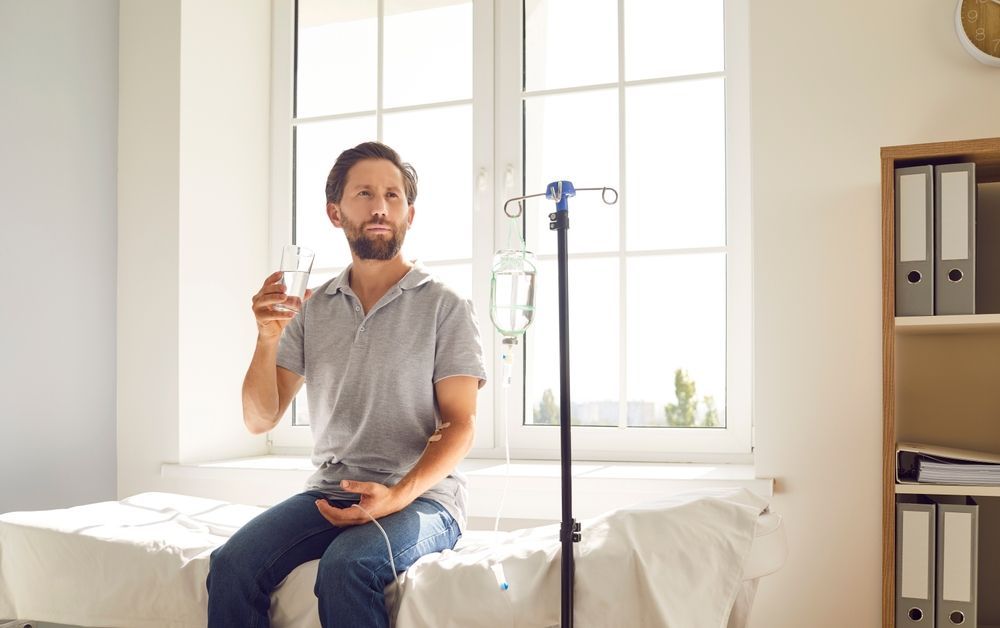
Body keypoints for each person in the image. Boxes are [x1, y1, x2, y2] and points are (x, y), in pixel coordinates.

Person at [206, 141, 487, 627]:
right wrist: (266, 339)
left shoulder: (444, 304)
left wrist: (396, 495)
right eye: (364, 193)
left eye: (392, 196)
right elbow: (259, 419)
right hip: (331, 491)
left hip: (423, 500)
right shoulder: (313, 309)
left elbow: (461, 424)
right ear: (335, 212)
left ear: (410, 213)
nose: (380, 206)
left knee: (347, 566)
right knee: (231, 566)